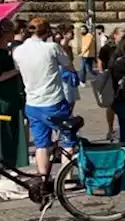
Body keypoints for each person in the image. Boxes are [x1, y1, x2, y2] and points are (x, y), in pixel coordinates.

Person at [14, 18, 76, 176]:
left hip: (32, 103)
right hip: (53, 101)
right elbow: (68, 64)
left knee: (41, 144)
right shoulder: (51, 47)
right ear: (47, 31)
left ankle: (43, 178)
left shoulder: (18, 51)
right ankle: (66, 178)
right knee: (67, 138)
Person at [0, 20, 25, 168]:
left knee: (10, 131)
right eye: (10, 31)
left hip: (10, 99)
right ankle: (7, 163)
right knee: (7, 132)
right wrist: (17, 70)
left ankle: (9, 162)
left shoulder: (6, 51)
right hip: (5, 101)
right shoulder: (1, 55)